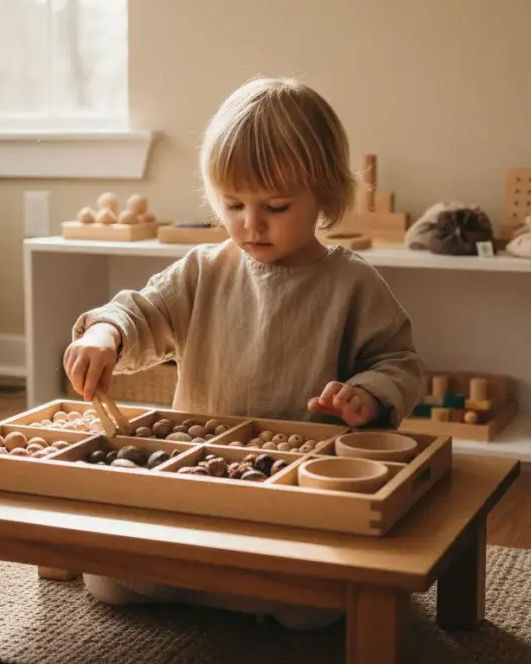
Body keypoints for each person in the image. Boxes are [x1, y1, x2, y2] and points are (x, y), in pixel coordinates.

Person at [62, 76, 426, 630]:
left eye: (275, 206)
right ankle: (232, 590)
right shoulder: (203, 270)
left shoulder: (352, 283)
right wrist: (104, 334)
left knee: (316, 609)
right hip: (197, 482)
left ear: (325, 195)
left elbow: (398, 363)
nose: (251, 224)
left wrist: (368, 397)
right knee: (108, 581)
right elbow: (143, 309)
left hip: (299, 491)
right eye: (233, 204)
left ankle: (234, 589)